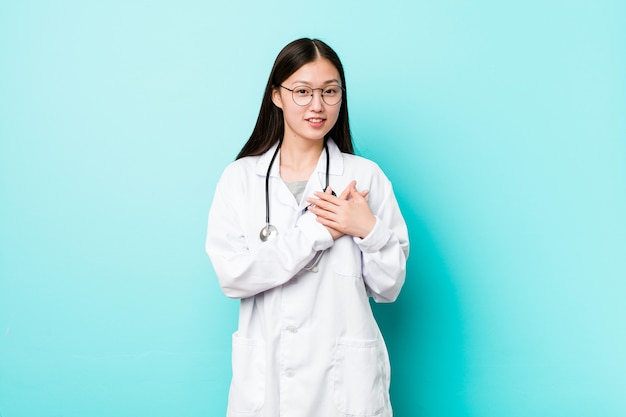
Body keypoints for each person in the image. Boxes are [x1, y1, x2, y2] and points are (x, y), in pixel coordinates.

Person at [205, 38, 409, 417]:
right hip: (267, 385)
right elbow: (233, 277)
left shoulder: (364, 177)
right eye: (302, 91)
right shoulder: (240, 179)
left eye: (330, 92)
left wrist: (368, 229)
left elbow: (389, 287)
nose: (317, 105)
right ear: (276, 96)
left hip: (345, 386)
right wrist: (317, 233)